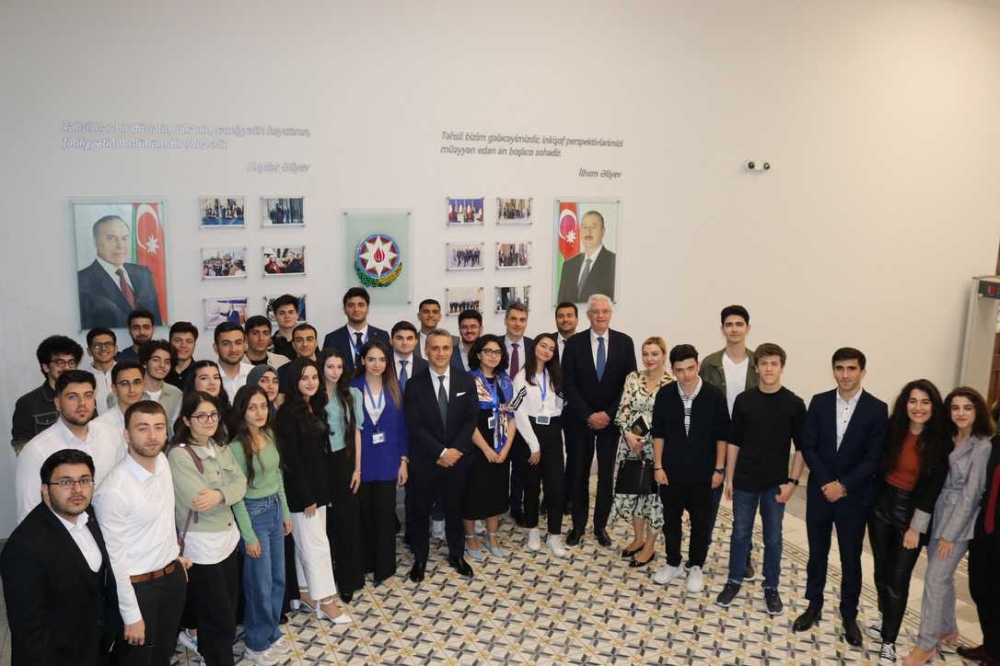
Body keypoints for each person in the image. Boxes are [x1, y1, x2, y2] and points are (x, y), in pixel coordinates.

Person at [794, 348, 889, 646]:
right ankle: (813, 605)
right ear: (833, 370)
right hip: (820, 492)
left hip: (854, 497)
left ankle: (849, 615)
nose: (845, 374)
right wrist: (827, 483)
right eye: (839, 368)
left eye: (851, 368)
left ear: (862, 371)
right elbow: (808, 446)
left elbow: (874, 458)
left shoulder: (877, 409)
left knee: (850, 557)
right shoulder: (819, 402)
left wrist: (844, 486)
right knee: (817, 553)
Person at [1, 449, 120, 665]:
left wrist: (110, 633)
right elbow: (28, 631)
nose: (77, 489)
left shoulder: (90, 516)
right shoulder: (24, 547)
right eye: (65, 482)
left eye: (84, 480)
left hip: (96, 649)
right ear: (45, 490)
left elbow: (101, 586)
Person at [93, 401, 189, 666]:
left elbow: (164, 520)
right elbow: (116, 560)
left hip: (171, 578)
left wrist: (174, 558)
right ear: (126, 434)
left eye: (159, 427)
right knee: (137, 660)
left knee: (162, 654)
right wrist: (131, 615)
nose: (152, 435)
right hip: (138, 589)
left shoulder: (163, 463)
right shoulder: (114, 491)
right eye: (143, 428)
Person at [903, 387, 994, 665]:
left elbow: (971, 495)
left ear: (977, 411)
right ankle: (946, 628)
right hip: (938, 514)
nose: (961, 413)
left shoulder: (982, 446)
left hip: (959, 523)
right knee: (942, 577)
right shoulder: (949, 437)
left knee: (934, 578)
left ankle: (926, 643)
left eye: (967, 407)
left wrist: (949, 536)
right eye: (955, 407)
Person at [715, 343, 806, 615]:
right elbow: (734, 441)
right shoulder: (744, 401)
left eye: (774, 364)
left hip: (776, 484)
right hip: (745, 481)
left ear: (782, 367)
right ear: (756, 367)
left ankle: (771, 587)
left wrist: (793, 483)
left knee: (774, 537)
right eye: (764, 364)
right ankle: (734, 580)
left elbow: (802, 448)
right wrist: (730, 477)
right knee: (740, 533)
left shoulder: (794, 404)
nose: (768, 369)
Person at [866, 380, 950, 666]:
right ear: (905, 404)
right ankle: (885, 617)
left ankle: (889, 641)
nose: (918, 408)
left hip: (912, 514)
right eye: (913, 401)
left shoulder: (940, 441)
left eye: (925, 402)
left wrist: (916, 527)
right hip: (881, 508)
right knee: (881, 570)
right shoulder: (894, 429)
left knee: (898, 579)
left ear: (933, 406)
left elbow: (932, 489)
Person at [168, 391, 248, 666]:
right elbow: (198, 500)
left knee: (229, 607)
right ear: (186, 420)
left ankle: (213, 652)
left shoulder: (220, 446)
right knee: (217, 614)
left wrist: (219, 494)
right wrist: (225, 492)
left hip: (228, 537)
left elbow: (241, 484)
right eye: (201, 416)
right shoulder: (179, 455)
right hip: (202, 544)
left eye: (213, 414)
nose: (209, 420)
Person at [276, 358, 351, 623]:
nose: (311, 382)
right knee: (317, 548)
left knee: (307, 546)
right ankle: (327, 603)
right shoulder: (287, 413)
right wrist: (307, 496)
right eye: (304, 377)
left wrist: (322, 494)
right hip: (302, 495)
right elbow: (292, 461)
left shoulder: (314, 407)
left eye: (314, 377)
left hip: (318, 491)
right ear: (294, 381)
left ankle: (305, 593)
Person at [651, 344, 729, 593]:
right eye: (680, 370)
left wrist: (719, 469)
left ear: (698, 365)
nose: (686, 375)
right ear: (672, 370)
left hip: (703, 473)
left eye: (690, 368)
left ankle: (695, 566)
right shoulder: (665, 395)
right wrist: (658, 466)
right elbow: (658, 433)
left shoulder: (714, 395)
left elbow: (722, 435)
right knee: (671, 521)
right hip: (671, 471)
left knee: (701, 522)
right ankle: (673, 563)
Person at [404, 328, 480, 582]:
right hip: (426, 460)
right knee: (420, 511)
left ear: (451, 350)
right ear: (426, 351)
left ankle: (456, 555)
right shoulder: (414, 384)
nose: (440, 353)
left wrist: (454, 451)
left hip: (457, 459)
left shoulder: (466, 380)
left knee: (455, 509)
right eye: (435, 348)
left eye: (445, 347)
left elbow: (471, 419)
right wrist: (441, 451)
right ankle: (420, 558)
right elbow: (414, 425)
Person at [561, 294, 637, 547]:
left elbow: (629, 384)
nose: (601, 315)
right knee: (578, 474)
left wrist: (608, 414)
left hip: (610, 422)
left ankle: (600, 526)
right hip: (579, 420)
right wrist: (589, 414)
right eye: (596, 311)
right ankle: (578, 526)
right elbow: (568, 384)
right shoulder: (574, 344)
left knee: (606, 476)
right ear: (588, 315)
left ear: (611, 314)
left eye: (605, 311)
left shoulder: (625, 342)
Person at [227, 385, 294, 664]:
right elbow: (236, 497)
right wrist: (249, 535)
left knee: (278, 579)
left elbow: (277, 477)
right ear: (242, 411)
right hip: (253, 515)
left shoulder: (269, 435)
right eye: (252, 407)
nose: (259, 412)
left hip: (275, 509)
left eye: (263, 406)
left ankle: (271, 633)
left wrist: (286, 513)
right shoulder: (235, 448)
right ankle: (255, 644)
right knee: (259, 584)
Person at [16, 369, 126, 522]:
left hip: (114, 526)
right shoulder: (36, 450)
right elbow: (29, 515)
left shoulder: (112, 435)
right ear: (57, 403)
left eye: (88, 395)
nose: (82, 403)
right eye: (72, 397)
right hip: (65, 533)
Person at [699, 304, 759, 578]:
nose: (734, 329)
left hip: (748, 442)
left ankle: (743, 555)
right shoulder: (710, 363)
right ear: (722, 329)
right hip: (715, 441)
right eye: (729, 324)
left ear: (747, 328)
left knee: (743, 505)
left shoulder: (759, 362)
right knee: (709, 501)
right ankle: (700, 551)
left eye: (739, 324)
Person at [610, 337, 673, 568]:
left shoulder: (671, 383)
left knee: (653, 498)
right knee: (634, 492)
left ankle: (649, 546)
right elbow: (623, 410)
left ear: (664, 355)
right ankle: (638, 538)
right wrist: (628, 434)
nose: (649, 358)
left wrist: (648, 437)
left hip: (657, 449)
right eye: (645, 353)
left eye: (655, 354)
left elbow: (670, 421)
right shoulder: (633, 378)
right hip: (630, 447)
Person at [351, 340, 409, 584]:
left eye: (382, 359)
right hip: (361, 463)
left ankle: (385, 569)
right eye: (372, 359)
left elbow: (403, 428)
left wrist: (404, 460)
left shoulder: (394, 387)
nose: (377, 364)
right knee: (364, 516)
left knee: (385, 516)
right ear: (363, 361)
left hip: (388, 461)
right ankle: (366, 564)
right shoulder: (352, 387)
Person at [510, 332, 567, 556]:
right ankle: (532, 530)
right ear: (534, 347)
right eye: (543, 346)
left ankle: (554, 535)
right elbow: (519, 412)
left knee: (556, 487)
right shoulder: (521, 377)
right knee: (531, 486)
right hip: (530, 433)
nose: (546, 351)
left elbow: (561, 404)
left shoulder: (556, 375)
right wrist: (534, 445)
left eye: (551, 348)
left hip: (552, 431)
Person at [462, 335, 517, 560]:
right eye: (488, 351)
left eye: (497, 352)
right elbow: (467, 421)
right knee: (473, 492)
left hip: (501, 444)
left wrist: (505, 448)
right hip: (476, 445)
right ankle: (470, 537)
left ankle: (492, 535)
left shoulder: (506, 381)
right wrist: (486, 449)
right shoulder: (467, 380)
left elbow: (512, 417)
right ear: (478, 354)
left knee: (497, 491)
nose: (493, 356)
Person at [318, 350, 366, 603]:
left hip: (345, 461)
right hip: (320, 462)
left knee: (347, 523)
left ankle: (349, 580)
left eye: (339, 366)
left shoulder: (353, 394)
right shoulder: (313, 395)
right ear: (321, 368)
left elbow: (357, 432)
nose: (335, 371)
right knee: (324, 526)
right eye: (330, 366)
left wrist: (357, 469)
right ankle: (324, 581)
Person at [960, 404, 1000, 666]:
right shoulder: (991, 445)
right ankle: (990, 645)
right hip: (984, 530)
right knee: (979, 589)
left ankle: (996, 654)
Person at [78, 215, 162, 328]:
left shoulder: (143, 273)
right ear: (96, 242)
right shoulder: (82, 280)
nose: (120, 245)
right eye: (111, 238)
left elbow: (156, 322)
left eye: (124, 238)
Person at [12, 334, 84, 450]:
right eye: (60, 362)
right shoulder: (27, 403)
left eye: (71, 362)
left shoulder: (85, 397)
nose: (67, 368)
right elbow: (21, 445)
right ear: (45, 367)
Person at [501, 302, 533, 526]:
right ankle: (497, 504)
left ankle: (516, 506)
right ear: (506, 320)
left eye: (522, 320)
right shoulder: (494, 345)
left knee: (521, 465)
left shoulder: (534, 347)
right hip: (499, 415)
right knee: (499, 464)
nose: (517, 324)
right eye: (513, 319)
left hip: (524, 416)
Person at [322, 287, 391, 375]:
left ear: (368, 308)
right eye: (351, 305)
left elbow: (388, 368)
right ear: (344, 309)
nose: (356, 309)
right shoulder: (332, 339)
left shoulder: (382, 336)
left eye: (361, 305)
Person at [556, 210, 616, 303]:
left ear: (602, 231)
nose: (588, 232)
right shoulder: (568, 265)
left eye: (593, 227)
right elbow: (560, 305)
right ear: (580, 231)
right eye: (584, 227)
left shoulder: (614, 263)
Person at [97, 360, 146, 449]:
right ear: (114, 388)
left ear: (143, 385)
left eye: (137, 382)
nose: (132, 389)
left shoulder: (152, 420)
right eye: (124, 384)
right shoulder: (99, 425)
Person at [139, 339, 183, 425]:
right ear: (144, 363)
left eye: (167, 362)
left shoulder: (177, 394)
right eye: (156, 360)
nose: (162, 365)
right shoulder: (132, 392)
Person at [214, 321, 253, 398]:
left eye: (238, 343)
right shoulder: (207, 379)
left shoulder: (254, 373)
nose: (233, 349)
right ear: (216, 347)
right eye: (226, 344)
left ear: (245, 345)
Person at [87, 327, 118, 415]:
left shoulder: (126, 372)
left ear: (116, 349)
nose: (103, 348)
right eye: (97, 345)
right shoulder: (83, 377)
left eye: (108, 344)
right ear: (89, 351)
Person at [166, 321, 199, 389]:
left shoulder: (200, 372)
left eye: (189, 341)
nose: (183, 345)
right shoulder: (161, 370)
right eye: (178, 341)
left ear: (194, 344)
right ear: (170, 342)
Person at [269, 294, 301, 361]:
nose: (287, 316)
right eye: (282, 313)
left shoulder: (306, 341)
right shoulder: (269, 344)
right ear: (275, 316)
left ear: (297, 315)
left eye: (291, 312)